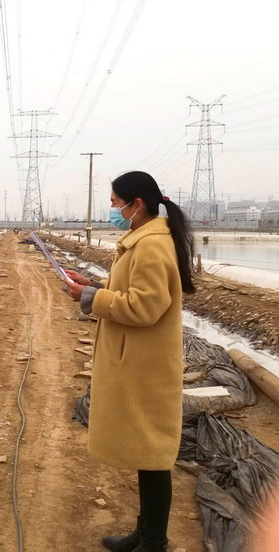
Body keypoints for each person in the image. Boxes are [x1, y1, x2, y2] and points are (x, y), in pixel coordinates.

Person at [64, 171, 194, 552]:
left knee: (153, 456)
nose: (112, 210)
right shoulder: (145, 239)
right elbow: (130, 289)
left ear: (137, 205)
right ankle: (145, 534)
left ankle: (154, 542)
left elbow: (144, 306)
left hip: (146, 369)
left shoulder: (151, 245)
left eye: (115, 202)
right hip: (140, 363)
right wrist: (91, 286)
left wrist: (93, 298)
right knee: (146, 454)